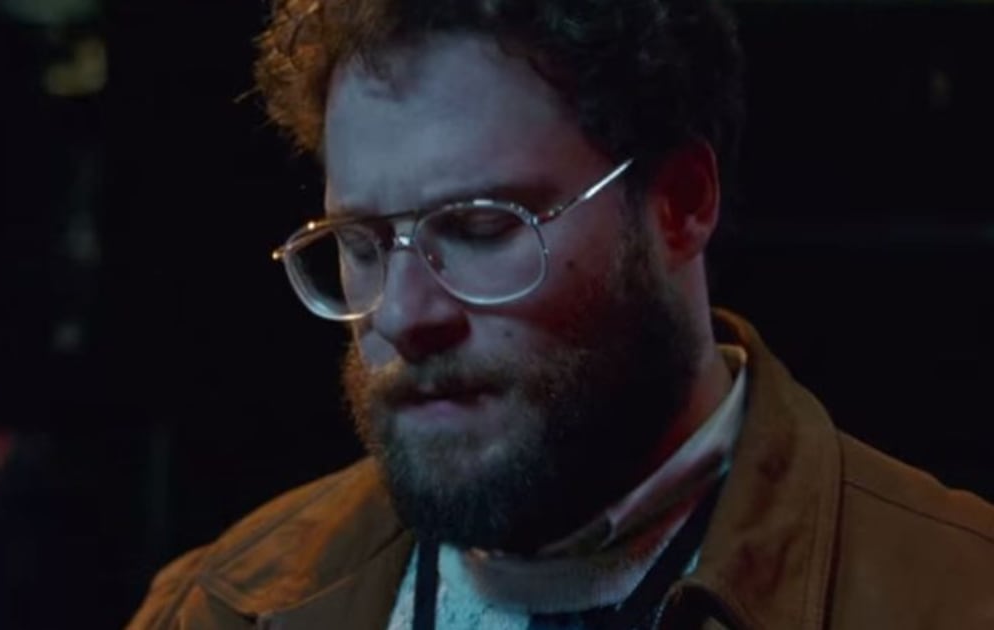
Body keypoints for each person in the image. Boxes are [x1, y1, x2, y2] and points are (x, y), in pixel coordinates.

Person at [128, 0, 994, 628]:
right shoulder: (217, 606)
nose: (404, 315)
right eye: (361, 244)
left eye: (481, 227)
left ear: (681, 204)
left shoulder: (956, 595)